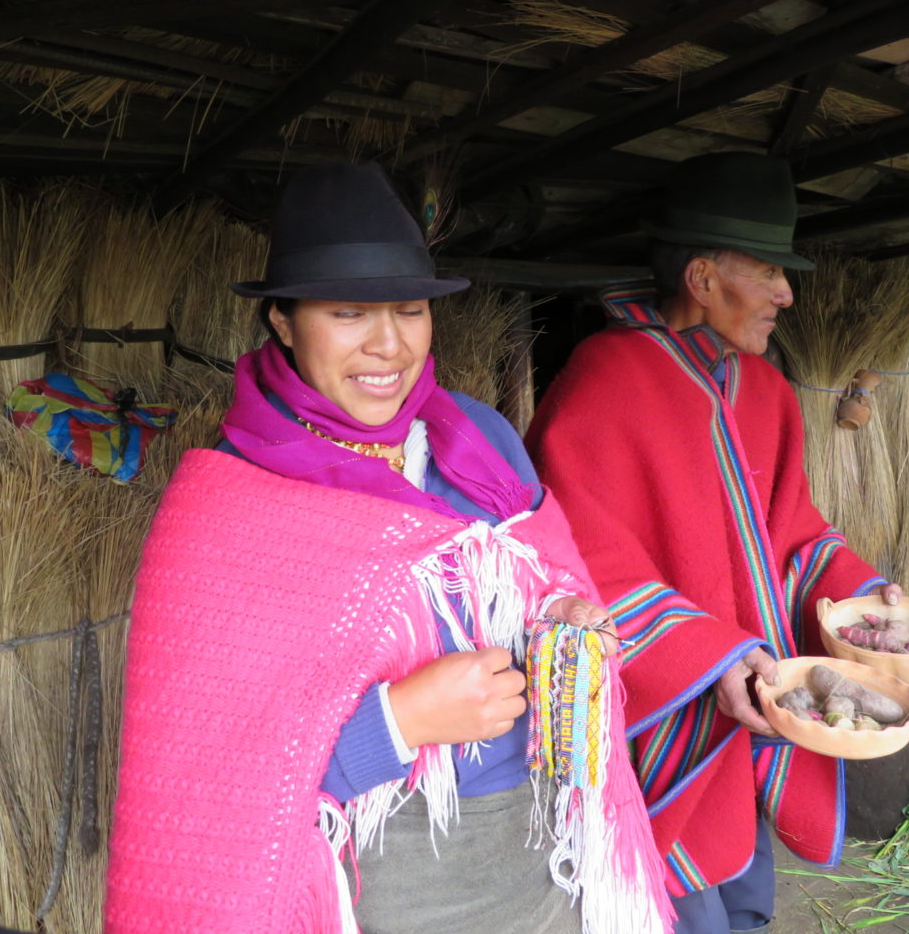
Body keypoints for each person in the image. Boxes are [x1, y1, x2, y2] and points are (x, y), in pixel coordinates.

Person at [104, 161, 669, 934]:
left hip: (550, 852)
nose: (388, 345)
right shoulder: (234, 505)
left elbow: (550, 575)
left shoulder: (482, 443)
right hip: (386, 880)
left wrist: (564, 611)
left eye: (409, 309)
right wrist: (399, 722)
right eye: (347, 313)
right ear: (282, 322)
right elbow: (214, 781)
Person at [525, 152, 906, 934]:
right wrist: (708, 654)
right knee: (675, 907)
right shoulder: (603, 382)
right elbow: (574, 559)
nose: (787, 294)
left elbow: (793, 529)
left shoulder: (764, 390)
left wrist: (865, 597)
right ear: (701, 277)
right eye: (769, 270)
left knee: (745, 892)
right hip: (669, 714)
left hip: (754, 707)